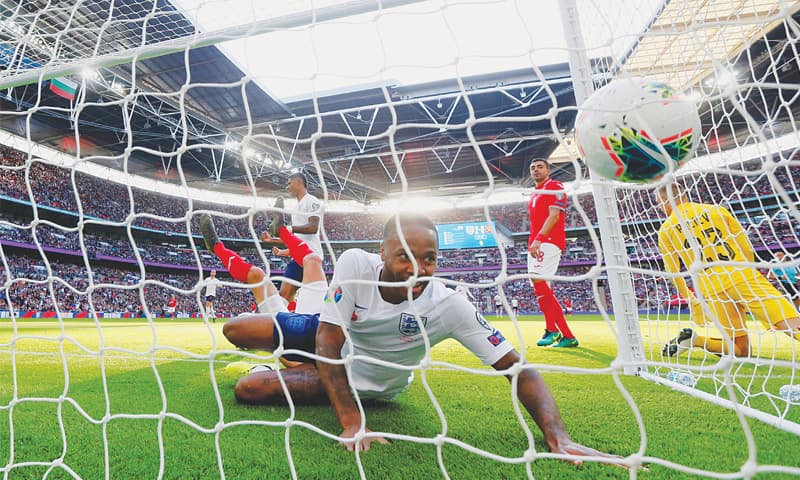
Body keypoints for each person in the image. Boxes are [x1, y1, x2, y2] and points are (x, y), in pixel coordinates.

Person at [220, 214, 625, 466]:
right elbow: (328, 341)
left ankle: (281, 368)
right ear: (383, 252)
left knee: (249, 388)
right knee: (236, 329)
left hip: (367, 377)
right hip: (332, 336)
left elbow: (517, 368)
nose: (418, 269)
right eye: (404, 257)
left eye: (429, 258)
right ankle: (292, 360)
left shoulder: (449, 304)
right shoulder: (355, 264)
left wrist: (558, 435)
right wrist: (351, 424)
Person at [655, 182, 800, 357]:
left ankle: (697, 341)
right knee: (791, 322)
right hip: (740, 275)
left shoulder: (666, 230)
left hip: (712, 290)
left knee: (741, 350)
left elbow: (673, 272)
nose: (659, 207)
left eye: (658, 203)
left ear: (666, 201)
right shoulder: (716, 210)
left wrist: (692, 300)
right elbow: (745, 246)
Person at [527, 159, 578, 348]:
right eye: (533, 167)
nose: (536, 170)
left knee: (537, 280)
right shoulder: (534, 193)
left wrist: (539, 238)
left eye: (540, 166)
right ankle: (553, 330)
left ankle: (561, 333)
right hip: (535, 243)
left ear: (548, 170)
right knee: (541, 288)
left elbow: (554, 215)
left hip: (548, 241)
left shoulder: (555, 186)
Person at [271, 173, 324, 304]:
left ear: (299, 182)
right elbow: (297, 240)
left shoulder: (311, 201)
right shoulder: (297, 208)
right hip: (299, 257)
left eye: (289, 183)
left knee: (315, 299)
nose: (287, 186)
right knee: (283, 297)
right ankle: (274, 322)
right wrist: (273, 241)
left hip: (311, 257)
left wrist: (289, 229)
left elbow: (313, 227)